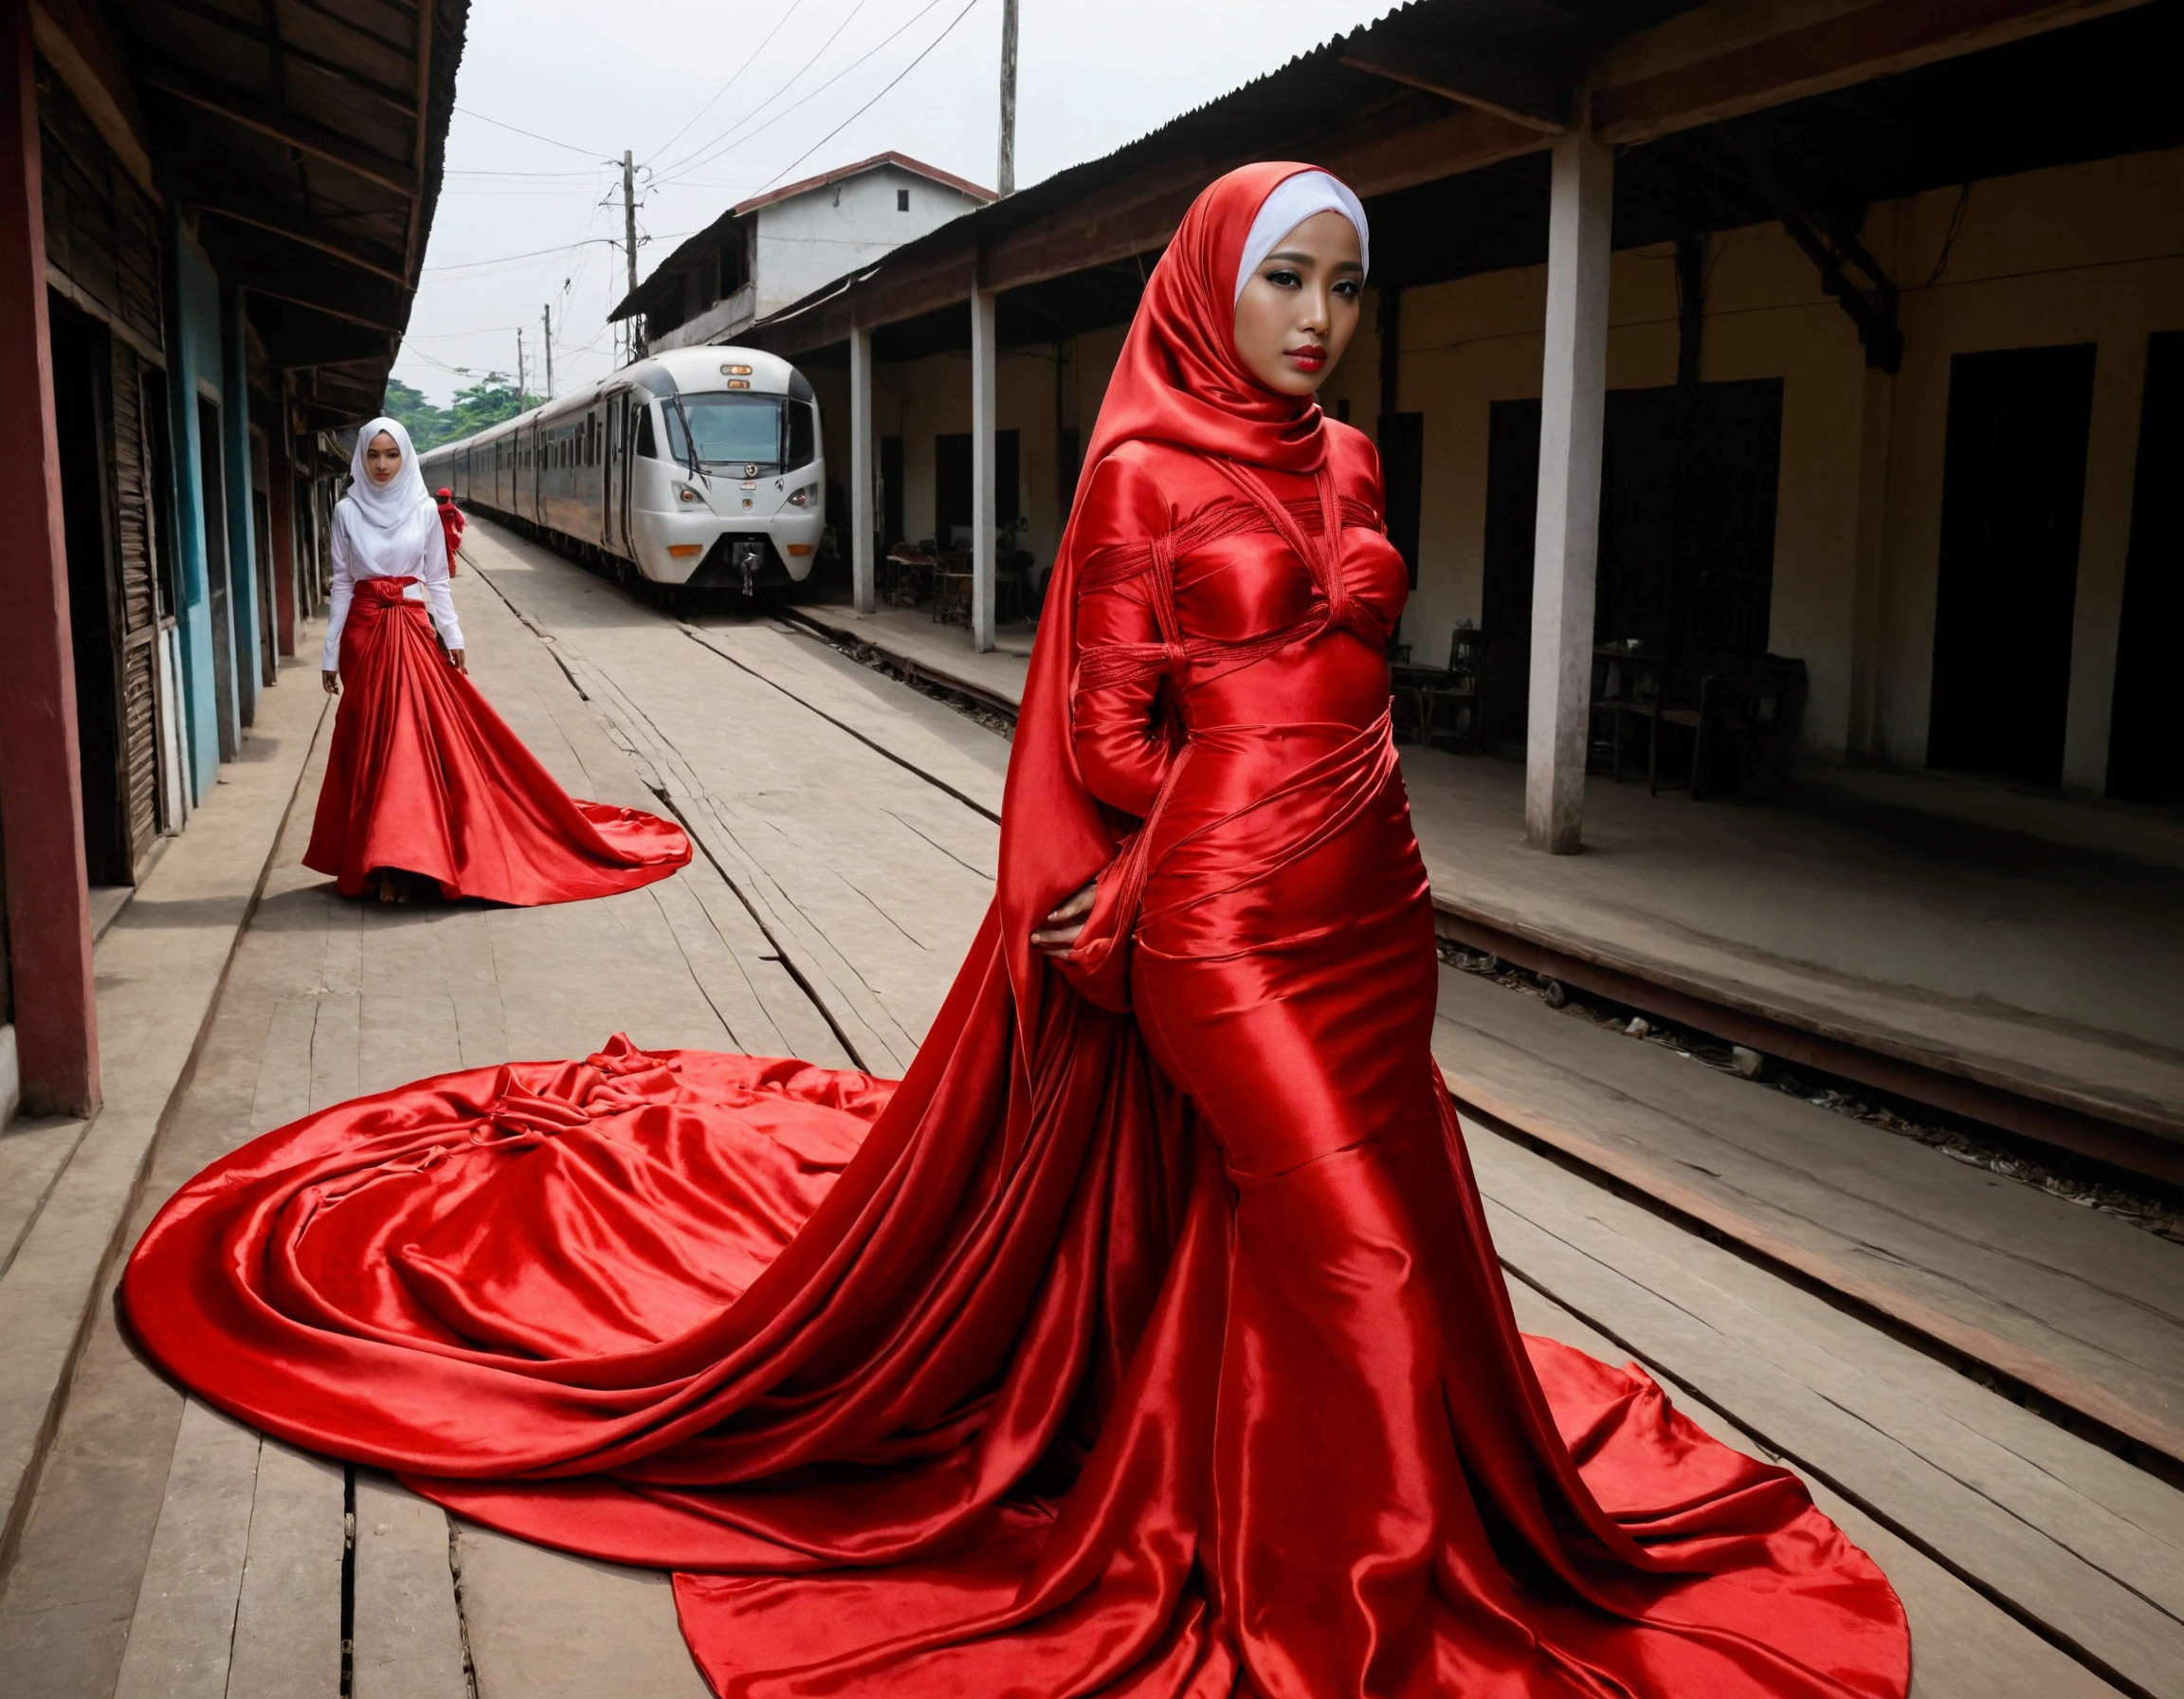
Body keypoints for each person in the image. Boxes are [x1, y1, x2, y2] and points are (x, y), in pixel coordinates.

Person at [127, 171, 1908, 1698]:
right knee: (1356, 1246)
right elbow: (1105, 743)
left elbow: (1355, 687)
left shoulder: (1353, 460)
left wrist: (1334, 781)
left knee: (1353, 1239)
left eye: (1344, 283)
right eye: (1281, 276)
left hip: (1375, 914)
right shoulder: (1141, 471)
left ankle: (1287, 1482)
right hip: (1212, 919)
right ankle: (1347, 1620)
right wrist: (1191, 834)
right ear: (1210, 282)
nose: (1315, 315)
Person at [304, 417, 690, 905]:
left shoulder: (424, 511)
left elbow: (436, 580)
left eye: (392, 454)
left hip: (412, 628)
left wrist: (453, 633)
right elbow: (341, 583)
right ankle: (379, 861)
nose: (382, 465)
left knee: (408, 748)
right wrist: (331, 650)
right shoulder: (345, 511)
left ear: (406, 457)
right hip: (363, 631)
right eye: (374, 455)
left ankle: (402, 864)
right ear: (361, 457)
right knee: (368, 745)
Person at [435, 484, 465, 576]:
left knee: (440, 553)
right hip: (451, 533)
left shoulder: (436, 509)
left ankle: (442, 570)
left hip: (438, 534)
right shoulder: (452, 509)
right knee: (450, 553)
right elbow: (460, 521)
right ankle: (452, 570)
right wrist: (459, 529)